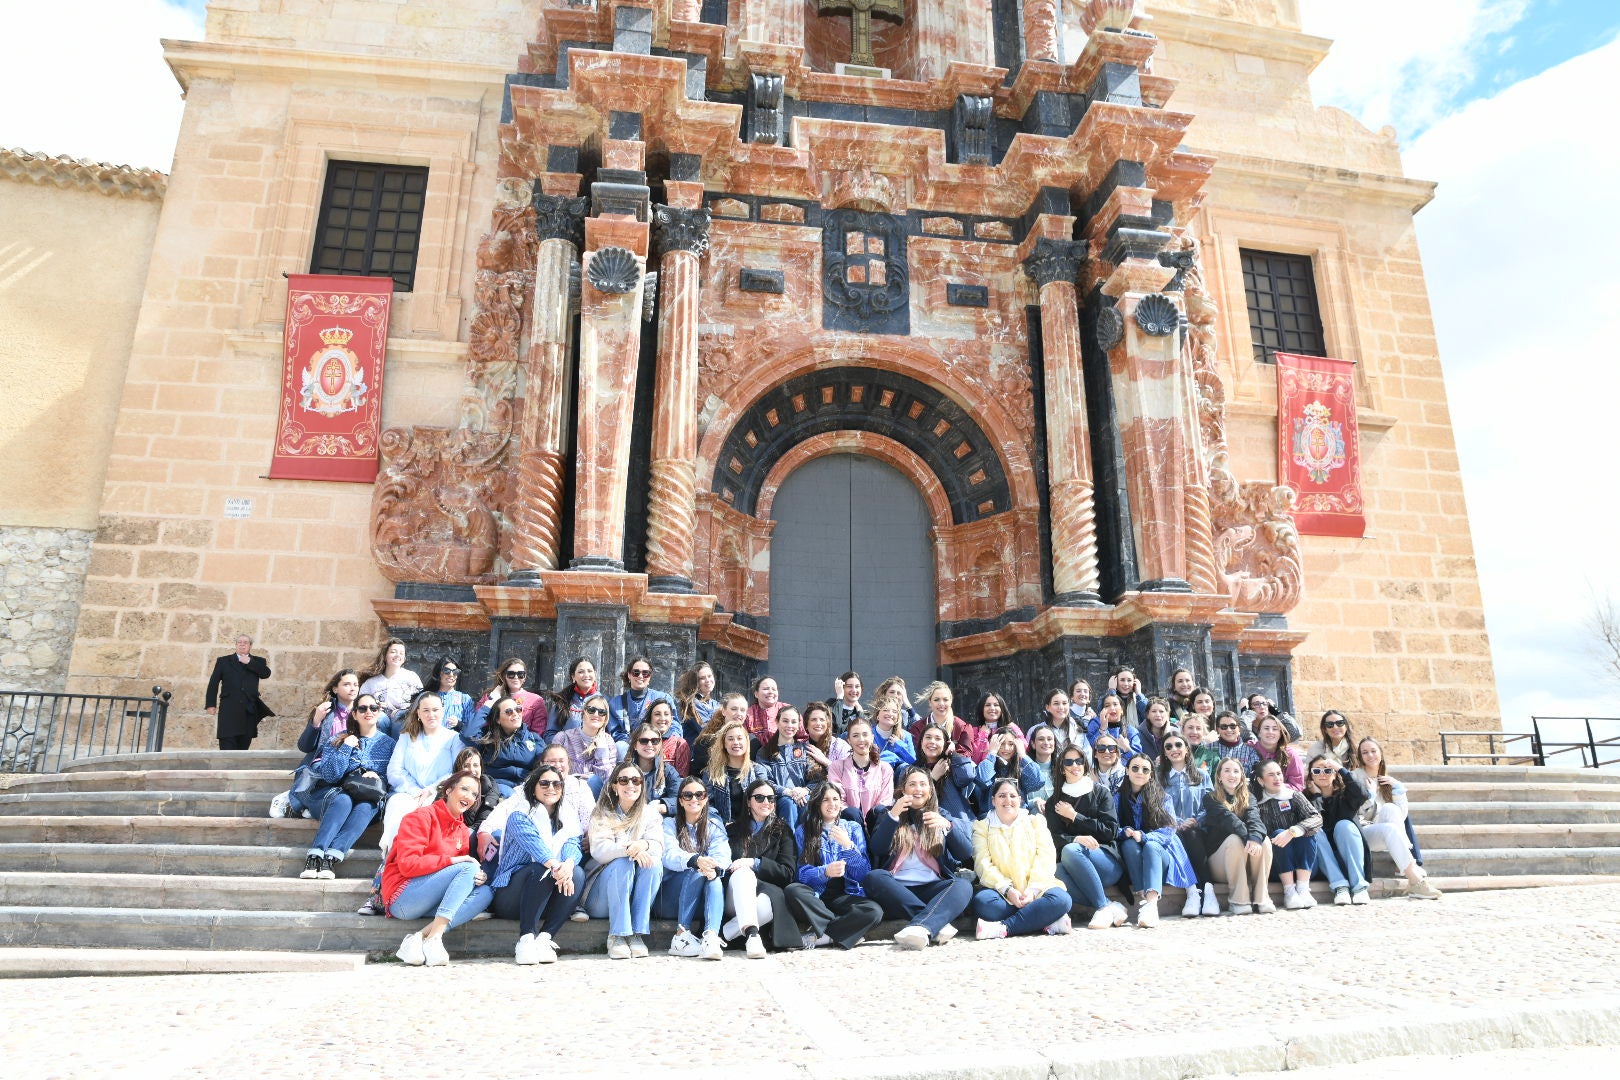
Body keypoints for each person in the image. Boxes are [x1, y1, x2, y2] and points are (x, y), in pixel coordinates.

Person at [385, 770, 494, 967]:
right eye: (465, 789)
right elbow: (409, 865)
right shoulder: (420, 817)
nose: (469, 797)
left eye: (474, 794)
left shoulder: (462, 830)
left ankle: (420, 937)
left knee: (485, 892)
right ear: (449, 790)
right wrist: (453, 861)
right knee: (467, 867)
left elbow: (458, 874)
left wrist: (478, 877)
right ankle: (434, 940)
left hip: (432, 901)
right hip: (402, 897)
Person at [481, 763, 584, 964]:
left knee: (577, 873)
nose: (551, 788)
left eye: (557, 784)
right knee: (542, 869)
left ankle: (545, 939)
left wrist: (568, 866)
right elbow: (536, 848)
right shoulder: (519, 815)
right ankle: (526, 939)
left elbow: (573, 843)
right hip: (511, 895)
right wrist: (557, 866)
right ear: (533, 787)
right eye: (544, 783)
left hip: (547, 894)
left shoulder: (566, 815)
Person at [864, 766, 974, 949]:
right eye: (912, 784)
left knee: (963, 885)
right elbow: (878, 848)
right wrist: (893, 816)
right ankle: (934, 923)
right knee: (873, 877)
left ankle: (921, 926)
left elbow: (965, 853)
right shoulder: (889, 814)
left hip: (932, 887)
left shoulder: (941, 814)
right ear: (903, 790)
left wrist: (948, 827)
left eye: (923, 784)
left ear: (930, 790)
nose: (918, 789)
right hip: (897, 888)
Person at [300, 692, 394, 879]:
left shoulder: (390, 744)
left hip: (370, 796)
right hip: (337, 793)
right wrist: (345, 748)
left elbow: (393, 777)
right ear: (354, 714)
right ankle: (315, 855)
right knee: (343, 800)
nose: (369, 711)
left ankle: (332, 857)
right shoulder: (339, 738)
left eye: (373, 708)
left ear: (379, 711)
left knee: (367, 806)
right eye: (363, 708)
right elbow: (330, 775)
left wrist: (378, 776)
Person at [971, 777, 1073, 939]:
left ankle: (1004, 928)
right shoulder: (982, 827)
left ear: (1020, 799)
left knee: (1062, 900)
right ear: (993, 800)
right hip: (1003, 893)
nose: (1008, 800)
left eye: (1012, 796)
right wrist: (1008, 889)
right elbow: (983, 863)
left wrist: (1032, 891)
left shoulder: (1035, 822)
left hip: (1037, 890)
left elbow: (1046, 856)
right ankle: (1045, 919)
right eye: (1002, 796)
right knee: (983, 902)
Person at [583, 760, 665, 958]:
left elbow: (658, 846)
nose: (630, 785)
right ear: (614, 786)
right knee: (622, 863)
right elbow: (600, 851)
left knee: (653, 865)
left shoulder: (650, 813)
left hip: (632, 892)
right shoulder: (602, 813)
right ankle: (617, 935)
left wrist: (643, 845)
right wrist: (630, 849)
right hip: (601, 896)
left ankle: (636, 933)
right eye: (624, 780)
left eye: (636, 780)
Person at [792, 782, 886, 949]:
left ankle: (824, 936)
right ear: (817, 803)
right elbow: (802, 874)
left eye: (835, 799)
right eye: (826, 799)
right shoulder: (804, 830)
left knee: (874, 911)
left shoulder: (853, 828)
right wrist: (825, 871)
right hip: (817, 896)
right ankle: (842, 930)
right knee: (793, 891)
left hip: (846, 894)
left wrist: (848, 846)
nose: (832, 804)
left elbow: (864, 873)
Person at [1045, 743, 1127, 929]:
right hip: (1073, 865)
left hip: (1106, 862)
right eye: (1069, 761)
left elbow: (1110, 831)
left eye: (1079, 760)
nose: (1075, 765)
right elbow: (1053, 837)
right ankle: (1106, 905)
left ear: (1085, 764)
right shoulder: (1054, 802)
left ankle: (1101, 906)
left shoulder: (1101, 793)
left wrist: (1075, 817)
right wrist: (1075, 839)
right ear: (1062, 768)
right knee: (1055, 871)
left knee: (1072, 851)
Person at [723, 777, 806, 955]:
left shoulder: (783, 831)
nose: (766, 802)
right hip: (734, 894)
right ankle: (753, 935)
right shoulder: (731, 831)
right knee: (743, 874)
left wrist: (755, 863)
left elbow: (788, 872)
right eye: (759, 798)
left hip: (767, 893)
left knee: (764, 906)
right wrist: (747, 867)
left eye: (771, 798)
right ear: (748, 801)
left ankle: (725, 933)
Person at [1353, 737, 1442, 899]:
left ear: (1381, 753)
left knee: (1391, 808)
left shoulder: (1387, 779)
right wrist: (1370, 795)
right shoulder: (1356, 777)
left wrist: (1399, 791)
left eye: (1373, 751)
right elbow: (1356, 812)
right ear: (1360, 756)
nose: (1370, 755)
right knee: (1389, 828)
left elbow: (1401, 817)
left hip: (1386, 833)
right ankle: (1415, 878)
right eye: (1364, 752)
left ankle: (1410, 867)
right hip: (1363, 831)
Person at [1115, 755, 1197, 928]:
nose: (1140, 772)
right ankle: (1143, 897)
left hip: (1162, 855)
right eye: (1135, 768)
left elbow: (1169, 831)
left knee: (1151, 846)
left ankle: (1151, 906)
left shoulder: (1162, 798)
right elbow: (1111, 826)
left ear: (1151, 774)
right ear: (1127, 770)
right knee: (1128, 843)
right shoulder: (1117, 798)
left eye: (1145, 769)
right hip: (1133, 859)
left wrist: (1144, 836)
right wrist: (1124, 831)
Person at [378, 692, 461, 855]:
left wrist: (432, 789)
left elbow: (456, 771)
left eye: (435, 710)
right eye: (426, 710)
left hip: (438, 793)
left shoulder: (453, 738)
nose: (431, 715)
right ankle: (391, 858)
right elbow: (394, 770)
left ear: (442, 711)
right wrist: (415, 790)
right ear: (418, 714)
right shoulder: (407, 737)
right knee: (397, 807)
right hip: (408, 792)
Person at [272, 667, 358, 819]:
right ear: (335, 689)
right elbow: (305, 746)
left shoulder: (364, 711)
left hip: (349, 763)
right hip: (322, 763)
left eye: (356, 684)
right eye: (347, 684)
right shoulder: (326, 711)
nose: (353, 688)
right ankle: (291, 798)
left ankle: (311, 804)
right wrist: (316, 720)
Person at [657, 777, 729, 960]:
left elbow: (723, 854)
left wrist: (713, 868)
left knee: (713, 877)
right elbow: (669, 855)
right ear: (680, 800)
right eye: (687, 795)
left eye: (699, 794)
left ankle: (711, 936)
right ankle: (681, 936)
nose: (694, 799)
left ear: (706, 799)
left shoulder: (713, 825)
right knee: (695, 869)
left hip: (703, 901)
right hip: (670, 898)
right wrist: (696, 860)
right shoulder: (669, 824)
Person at [1201, 757, 1274, 914]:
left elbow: (1255, 819)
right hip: (1221, 865)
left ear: (1241, 776)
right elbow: (1230, 820)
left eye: (1236, 771)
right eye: (1226, 770)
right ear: (1219, 776)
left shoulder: (1250, 797)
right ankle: (1238, 901)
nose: (1231, 775)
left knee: (1264, 840)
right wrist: (1250, 838)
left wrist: (1255, 839)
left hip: (1247, 861)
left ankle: (1262, 898)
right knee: (1235, 839)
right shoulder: (1210, 798)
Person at [1159, 733, 1218, 916]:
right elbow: (1157, 806)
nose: (1174, 749)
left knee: (1192, 836)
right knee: (1178, 838)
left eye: (1178, 745)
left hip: (1198, 830)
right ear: (1164, 752)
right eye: (1168, 747)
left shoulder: (1201, 775)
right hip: (1171, 830)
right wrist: (1177, 823)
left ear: (1186, 749)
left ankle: (1208, 892)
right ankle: (1192, 892)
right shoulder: (1158, 777)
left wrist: (1195, 821)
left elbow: (1209, 804)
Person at [1253, 758, 1322, 910]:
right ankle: (1289, 891)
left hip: (1306, 864)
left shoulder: (1294, 796)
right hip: (1277, 866)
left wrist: (1293, 831)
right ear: (1261, 780)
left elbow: (1316, 817)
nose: (1277, 778)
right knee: (1277, 834)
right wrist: (1281, 835)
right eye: (1271, 775)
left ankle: (1303, 889)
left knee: (1304, 832)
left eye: (1278, 773)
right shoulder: (1257, 804)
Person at [1304, 755, 1372, 906]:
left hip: (1351, 857)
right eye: (1317, 770)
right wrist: (1316, 795)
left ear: (1335, 774)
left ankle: (1359, 888)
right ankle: (1340, 887)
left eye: (1328, 770)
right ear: (1310, 775)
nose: (1322, 774)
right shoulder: (1305, 798)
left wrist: (1342, 769)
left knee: (1344, 825)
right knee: (1314, 830)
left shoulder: (1346, 795)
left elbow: (1363, 794)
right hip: (1325, 863)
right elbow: (1314, 818)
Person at [204, 633, 272, 750]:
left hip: (248, 711)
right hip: (228, 710)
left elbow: (266, 673)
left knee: (243, 746)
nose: (242, 645)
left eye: (245, 643)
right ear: (236, 645)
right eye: (239, 642)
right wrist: (211, 704)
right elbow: (213, 683)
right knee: (226, 745)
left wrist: (250, 662)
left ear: (250, 646)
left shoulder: (258, 661)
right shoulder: (223, 661)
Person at [914, 722, 980, 840]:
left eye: (938, 738)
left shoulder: (952, 765)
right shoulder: (912, 770)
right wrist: (932, 778)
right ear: (921, 742)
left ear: (946, 744)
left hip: (959, 828)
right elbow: (913, 801)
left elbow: (967, 776)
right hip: (927, 834)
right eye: (928, 737)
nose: (932, 742)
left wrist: (953, 754)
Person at [470, 695, 543, 797]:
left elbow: (545, 762)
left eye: (518, 709)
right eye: (509, 711)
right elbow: (469, 734)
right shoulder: (488, 738)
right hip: (496, 790)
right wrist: (486, 707)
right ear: (498, 719)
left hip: (526, 788)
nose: (515, 714)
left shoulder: (533, 738)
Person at [702, 719, 772, 824]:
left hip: (752, 827)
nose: (736, 742)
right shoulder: (711, 773)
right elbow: (707, 804)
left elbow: (765, 802)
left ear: (747, 742)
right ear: (724, 744)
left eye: (740, 738)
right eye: (730, 739)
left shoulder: (758, 771)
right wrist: (720, 823)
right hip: (722, 828)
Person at [828, 715, 894, 824]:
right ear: (849, 740)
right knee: (852, 812)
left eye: (865, 735)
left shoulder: (885, 769)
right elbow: (838, 801)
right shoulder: (837, 767)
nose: (861, 740)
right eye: (855, 736)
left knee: (880, 811)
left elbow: (885, 802)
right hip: (850, 825)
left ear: (872, 738)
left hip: (876, 826)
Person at [550, 692, 619, 797]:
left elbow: (608, 781)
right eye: (591, 710)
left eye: (602, 712)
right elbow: (552, 770)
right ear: (583, 714)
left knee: (594, 781)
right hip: (567, 791)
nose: (596, 715)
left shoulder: (608, 743)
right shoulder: (563, 738)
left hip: (597, 797)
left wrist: (601, 750)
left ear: (605, 718)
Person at [757, 704, 812, 831]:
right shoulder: (765, 752)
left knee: (807, 801)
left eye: (794, 722)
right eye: (785, 721)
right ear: (777, 722)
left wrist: (806, 790)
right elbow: (764, 781)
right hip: (778, 799)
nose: (789, 726)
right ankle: (788, 845)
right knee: (788, 802)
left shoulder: (805, 749)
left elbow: (816, 778)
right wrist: (787, 792)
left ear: (799, 725)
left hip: (803, 796)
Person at [467, 658, 548, 740]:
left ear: (525, 677)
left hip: (521, 747)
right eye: (511, 674)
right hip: (491, 743)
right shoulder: (489, 696)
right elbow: (476, 724)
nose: (516, 677)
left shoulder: (536, 701)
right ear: (504, 676)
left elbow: (538, 734)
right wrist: (492, 699)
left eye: (520, 674)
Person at [608, 656, 673, 754]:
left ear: (650, 676)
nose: (640, 676)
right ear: (629, 675)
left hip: (657, 744)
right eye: (636, 672)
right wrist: (637, 744)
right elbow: (616, 732)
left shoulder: (663, 698)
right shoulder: (615, 703)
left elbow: (675, 725)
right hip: (629, 748)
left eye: (645, 673)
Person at [540, 742, 595, 847]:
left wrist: (590, 836)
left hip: (575, 843)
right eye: (552, 761)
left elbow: (590, 816)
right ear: (542, 764)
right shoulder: (533, 785)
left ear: (568, 763)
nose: (557, 765)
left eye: (561, 761)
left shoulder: (579, 785)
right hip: (542, 844)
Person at [360, 638, 422, 729]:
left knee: (399, 717)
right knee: (380, 718)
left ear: (404, 659)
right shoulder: (371, 682)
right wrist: (374, 707)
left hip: (403, 722)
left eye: (401, 653)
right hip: (379, 723)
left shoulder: (412, 677)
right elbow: (360, 702)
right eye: (393, 652)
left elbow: (421, 701)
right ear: (385, 655)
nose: (397, 655)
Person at [628, 721, 682, 821]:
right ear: (635, 745)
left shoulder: (668, 771)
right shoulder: (624, 771)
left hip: (660, 822)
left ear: (660, 744)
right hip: (630, 819)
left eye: (655, 741)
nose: (649, 745)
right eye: (644, 741)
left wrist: (662, 807)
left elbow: (680, 799)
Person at [977, 726, 1043, 803]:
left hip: (1018, 813)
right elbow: (981, 780)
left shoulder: (1021, 768)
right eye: (1001, 743)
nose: (1006, 748)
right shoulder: (988, 766)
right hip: (993, 813)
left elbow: (1038, 782)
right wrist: (992, 753)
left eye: (1011, 744)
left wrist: (1023, 754)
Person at [691, 691, 749, 775]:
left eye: (743, 710)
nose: (739, 713)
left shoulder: (751, 740)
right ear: (724, 711)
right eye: (734, 709)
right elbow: (698, 774)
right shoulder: (705, 742)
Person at [960, 692, 1023, 764]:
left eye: (996, 705)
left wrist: (1014, 729)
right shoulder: (973, 731)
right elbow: (974, 760)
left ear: (1002, 709)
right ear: (982, 709)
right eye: (987, 705)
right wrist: (983, 735)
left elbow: (1024, 752)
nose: (992, 708)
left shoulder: (1012, 729)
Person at [452, 746, 500, 835]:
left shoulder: (490, 789)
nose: (472, 770)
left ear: (481, 768)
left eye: (476, 765)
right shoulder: (450, 786)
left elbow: (482, 823)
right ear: (458, 769)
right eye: (466, 766)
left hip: (471, 835)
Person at [908, 681, 970, 749]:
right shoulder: (917, 728)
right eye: (936, 700)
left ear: (951, 701)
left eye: (945, 700)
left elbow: (966, 754)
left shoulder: (961, 727)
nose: (941, 704)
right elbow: (915, 754)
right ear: (929, 702)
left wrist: (953, 752)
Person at [800, 701, 850, 785]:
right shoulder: (800, 748)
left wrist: (826, 762)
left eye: (822, 719)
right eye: (813, 719)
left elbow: (849, 776)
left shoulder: (841, 746)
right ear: (806, 725)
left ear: (828, 723)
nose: (818, 723)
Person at [1029, 687, 1089, 755]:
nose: (1061, 707)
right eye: (1056, 703)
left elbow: (1087, 755)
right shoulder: (1034, 730)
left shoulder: (1078, 728)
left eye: (1064, 703)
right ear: (1047, 707)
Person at [1253, 714, 1306, 792]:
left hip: (1282, 798)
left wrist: (1273, 787)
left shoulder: (1290, 755)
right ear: (1259, 733)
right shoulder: (1249, 749)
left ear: (1280, 733)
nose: (1270, 732)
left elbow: (1297, 786)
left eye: (1275, 729)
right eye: (1266, 728)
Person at [1086, 693, 1144, 758]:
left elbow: (1138, 760)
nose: (1112, 708)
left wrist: (1127, 749)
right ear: (1102, 711)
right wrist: (1102, 729)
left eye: (1115, 704)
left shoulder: (1131, 731)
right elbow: (1089, 748)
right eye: (1107, 706)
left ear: (1122, 710)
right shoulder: (1095, 723)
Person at [675, 660, 720, 741]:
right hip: (697, 751)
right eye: (702, 678)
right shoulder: (693, 703)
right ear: (695, 682)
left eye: (709, 676)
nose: (708, 680)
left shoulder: (715, 703)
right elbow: (707, 731)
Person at [647, 698, 691, 776]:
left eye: (666, 714)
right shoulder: (641, 741)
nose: (662, 718)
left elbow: (681, 778)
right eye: (657, 714)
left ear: (671, 718)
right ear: (650, 718)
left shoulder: (679, 744)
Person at [871, 696, 917, 767]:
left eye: (894, 711)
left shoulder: (905, 736)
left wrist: (899, 745)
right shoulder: (868, 734)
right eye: (886, 710)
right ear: (877, 715)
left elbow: (913, 762)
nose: (890, 714)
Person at [1023, 726, 1058, 815]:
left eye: (1049, 739)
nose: (1046, 743)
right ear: (1033, 744)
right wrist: (1034, 802)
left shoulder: (1062, 769)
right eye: (1041, 739)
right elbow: (1018, 800)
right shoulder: (1023, 769)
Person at [558, 657, 600, 731]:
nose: (586, 675)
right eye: (581, 672)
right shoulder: (562, 700)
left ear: (595, 674)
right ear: (573, 676)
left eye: (590, 671)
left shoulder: (605, 701)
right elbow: (550, 733)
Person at [1110, 667, 1149, 733]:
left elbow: (1148, 715)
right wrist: (1111, 691)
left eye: (1129, 680)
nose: (1126, 684)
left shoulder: (1139, 699)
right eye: (1122, 680)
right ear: (1115, 681)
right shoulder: (1107, 698)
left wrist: (1139, 693)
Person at [1137, 697, 1177, 761]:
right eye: (1154, 711)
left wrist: (1167, 735)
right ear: (1147, 715)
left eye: (1161, 711)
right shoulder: (1137, 735)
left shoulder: (1177, 733)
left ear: (1167, 714)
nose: (1158, 714)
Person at [745, 675, 782, 741]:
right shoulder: (747, 714)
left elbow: (801, 737)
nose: (771, 692)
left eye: (774, 689)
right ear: (756, 694)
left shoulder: (788, 710)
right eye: (766, 689)